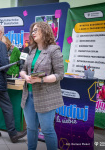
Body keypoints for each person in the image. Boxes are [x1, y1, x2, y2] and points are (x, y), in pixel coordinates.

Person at [20, 22, 64, 150]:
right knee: (31, 128)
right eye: (32, 31)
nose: (32, 33)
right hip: (28, 95)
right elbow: (22, 69)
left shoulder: (53, 50)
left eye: (35, 30)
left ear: (44, 31)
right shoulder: (31, 50)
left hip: (46, 96)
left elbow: (60, 74)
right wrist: (25, 76)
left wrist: (40, 80)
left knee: (47, 130)